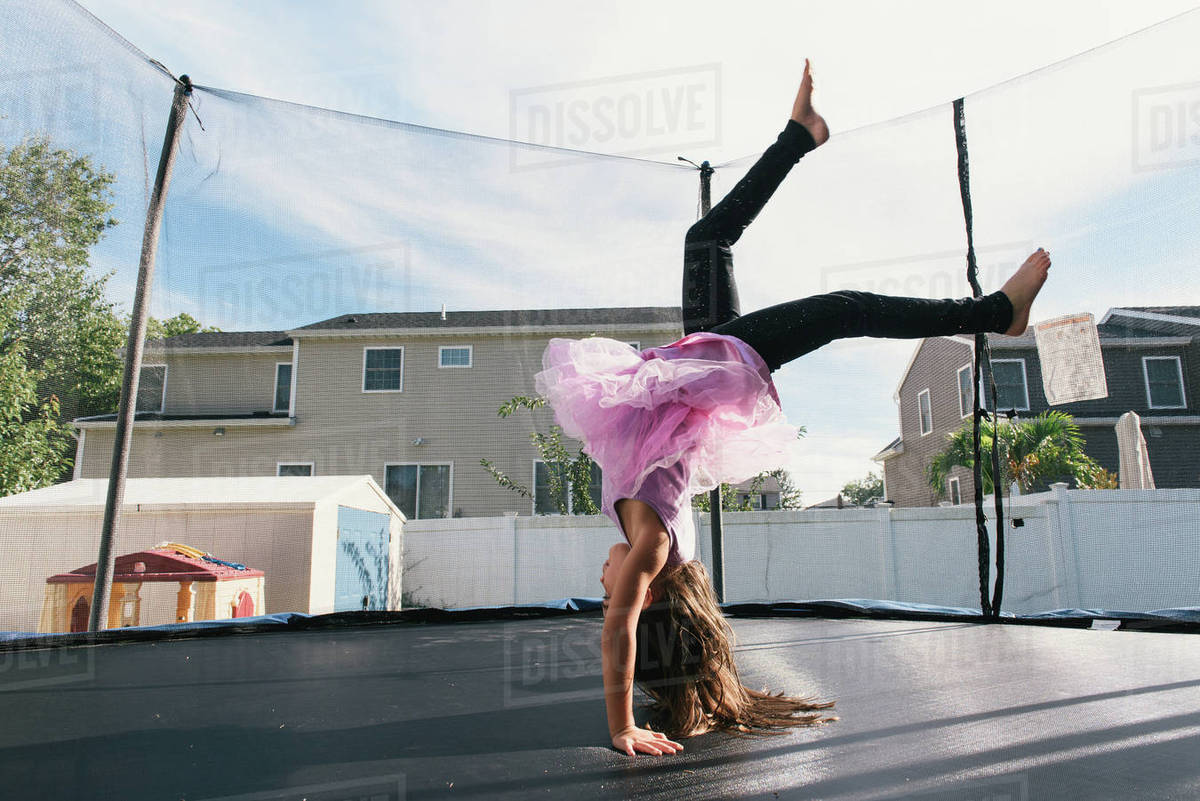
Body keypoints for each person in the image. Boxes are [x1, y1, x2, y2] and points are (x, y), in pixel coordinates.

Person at [533, 60, 1051, 757]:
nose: (603, 586)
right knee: (844, 310)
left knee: (705, 241)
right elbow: (619, 628)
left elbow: (625, 611)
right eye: (609, 590)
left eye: (605, 591)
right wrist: (622, 722)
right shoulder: (652, 546)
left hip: (690, 365)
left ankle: (800, 133)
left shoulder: (634, 522)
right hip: (713, 371)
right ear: (646, 590)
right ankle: (994, 312)